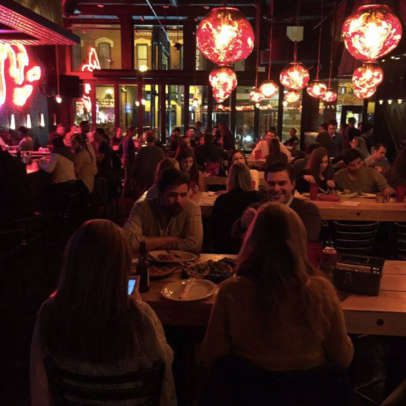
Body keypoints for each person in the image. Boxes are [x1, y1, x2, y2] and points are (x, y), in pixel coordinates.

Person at [30, 219, 176, 406]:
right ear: (122, 267)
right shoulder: (141, 318)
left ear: (72, 262)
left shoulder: (49, 313)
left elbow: (39, 392)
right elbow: (165, 387)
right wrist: (138, 306)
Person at [201, 202, 354, 371]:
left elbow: (212, 354)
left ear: (252, 240)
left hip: (246, 386)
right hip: (308, 386)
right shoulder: (321, 290)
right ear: (299, 240)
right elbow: (343, 357)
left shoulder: (231, 291)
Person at [233, 161, 321, 243]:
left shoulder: (308, 210)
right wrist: (242, 223)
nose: (276, 189)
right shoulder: (258, 208)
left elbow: (305, 241)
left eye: (282, 183)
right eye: (271, 184)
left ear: (293, 184)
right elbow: (234, 237)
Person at [124, 168, 203, 253]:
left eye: (183, 195)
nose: (178, 200)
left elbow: (194, 245)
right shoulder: (141, 208)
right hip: (148, 261)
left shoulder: (192, 208)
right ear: (160, 194)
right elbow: (129, 242)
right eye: (172, 195)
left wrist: (150, 244)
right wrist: (170, 240)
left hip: (182, 261)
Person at [211, 163, 262, 253]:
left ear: (230, 179)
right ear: (248, 178)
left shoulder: (222, 200)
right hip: (252, 250)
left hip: (224, 248)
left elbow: (215, 231)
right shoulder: (258, 198)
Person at [132, 132, 165, 198]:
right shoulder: (160, 151)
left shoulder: (142, 150)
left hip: (143, 178)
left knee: (143, 196)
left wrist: (134, 176)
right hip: (154, 177)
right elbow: (163, 165)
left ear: (146, 140)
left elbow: (136, 164)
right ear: (154, 140)